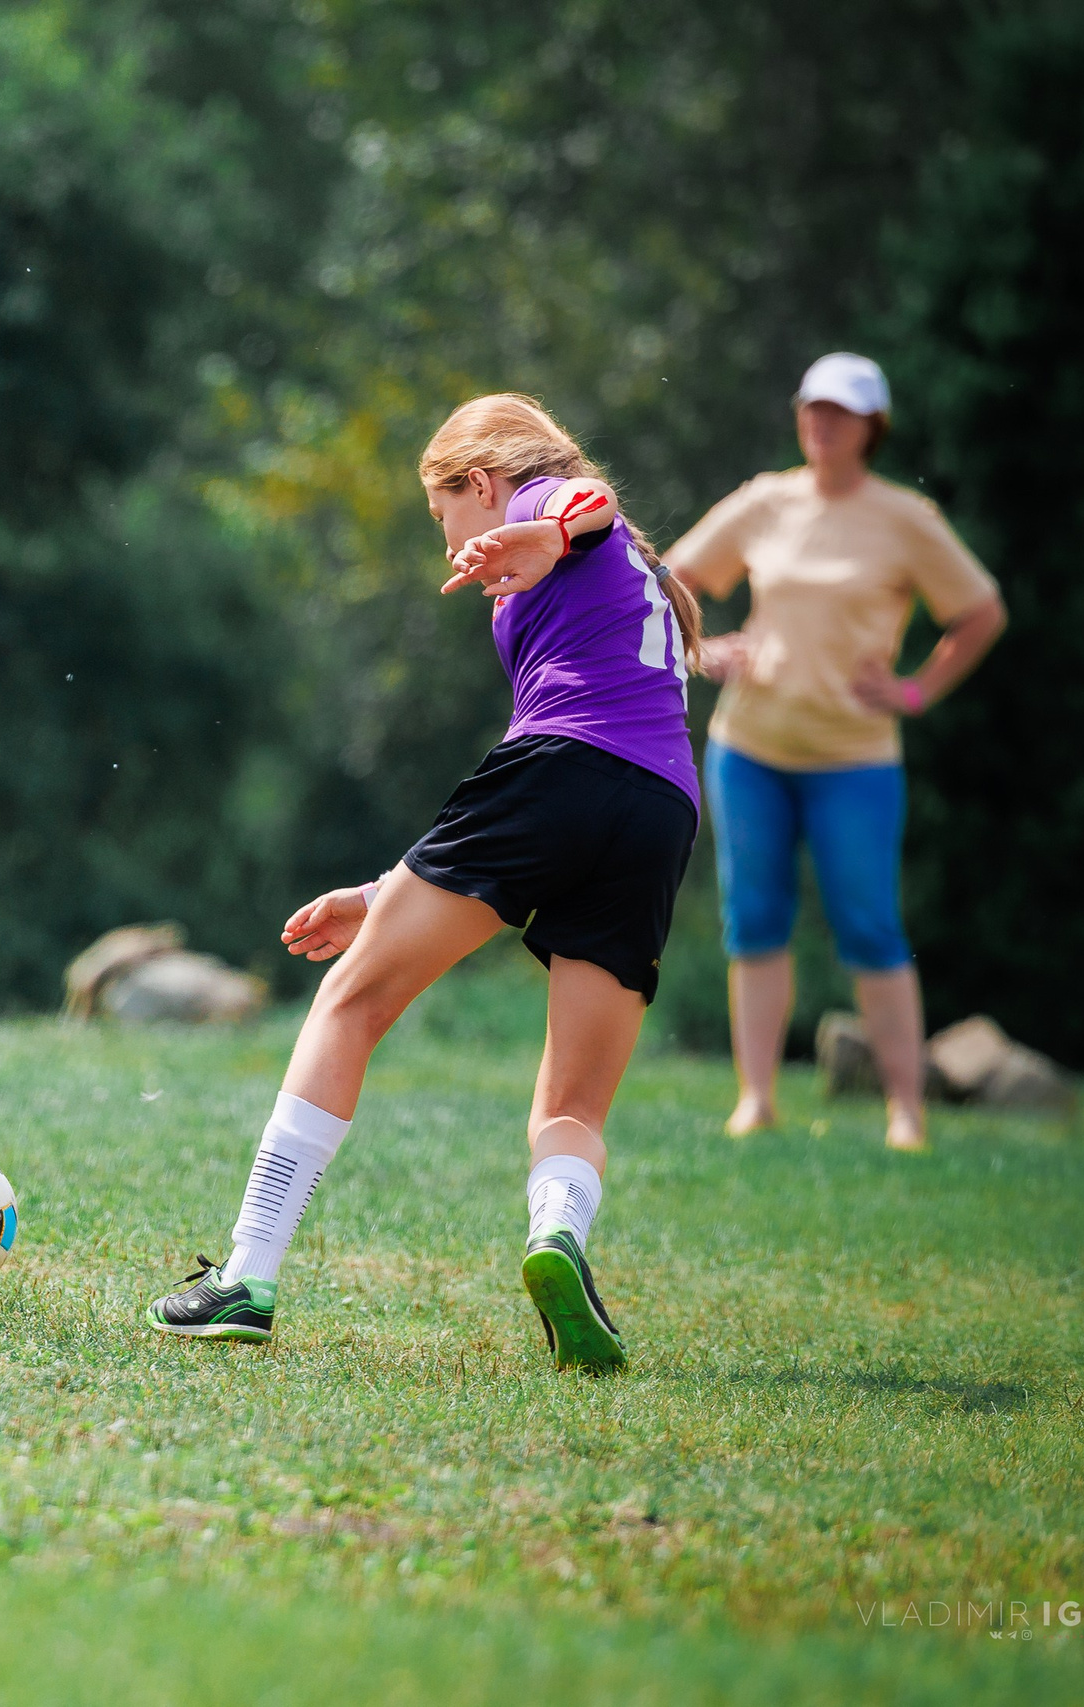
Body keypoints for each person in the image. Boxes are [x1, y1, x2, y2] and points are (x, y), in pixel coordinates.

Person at [146, 394, 702, 1372]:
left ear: (480, 483)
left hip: (562, 772)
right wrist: (383, 889)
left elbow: (586, 498)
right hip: (658, 813)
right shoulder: (641, 578)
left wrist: (534, 530)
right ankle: (556, 1237)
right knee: (571, 1106)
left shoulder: (550, 505)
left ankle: (245, 1277)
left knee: (349, 1001)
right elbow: (532, 793)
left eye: (442, 513)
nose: (446, 537)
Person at [669, 353, 1006, 1152]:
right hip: (749, 749)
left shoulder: (905, 520)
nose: (823, 423)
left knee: (870, 927)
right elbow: (671, 577)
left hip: (855, 758)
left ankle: (905, 1112)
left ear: (872, 428)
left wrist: (917, 690)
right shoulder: (764, 501)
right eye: (813, 409)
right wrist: (702, 651)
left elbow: (981, 611)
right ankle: (755, 1099)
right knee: (753, 921)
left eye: (842, 413)